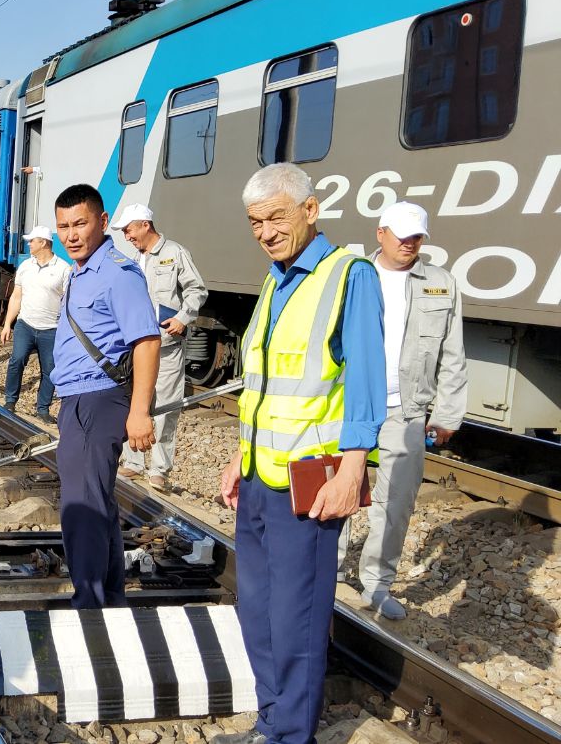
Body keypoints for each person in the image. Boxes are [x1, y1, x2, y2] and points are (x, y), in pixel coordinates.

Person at [214, 163, 385, 744]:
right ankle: (271, 723)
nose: (265, 232)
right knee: (258, 613)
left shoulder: (348, 276)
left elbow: (365, 380)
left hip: (310, 482)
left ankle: (291, 735)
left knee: (296, 620)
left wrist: (353, 470)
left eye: (276, 217)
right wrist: (239, 455)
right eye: (255, 222)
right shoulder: (275, 280)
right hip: (259, 475)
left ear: (311, 210)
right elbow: (262, 385)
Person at [338, 201, 466, 620]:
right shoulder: (353, 274)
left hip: (406, 408)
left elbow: (453, 353)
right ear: (381, 233)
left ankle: (377, 585)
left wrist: (447, 413)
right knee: (339, 486)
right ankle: (330, 570)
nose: (410, 243)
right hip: (349, 403)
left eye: (417, 236)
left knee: (395, 503)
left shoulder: (441, 283)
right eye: (402, 235)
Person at [49, 184, 161, 609]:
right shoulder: (82, 271)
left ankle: (89, 607)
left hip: (98, 398)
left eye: (80, 224)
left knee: (81, 507)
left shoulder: (117, 273)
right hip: (80, 398)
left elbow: (147, 341)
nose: (71, 235)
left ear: (102, 221)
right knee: (97, 503)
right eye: (63, 226)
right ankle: (108, 600)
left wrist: (140, 412)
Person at [111, 203, 208, 490]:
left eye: (129, 230)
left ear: (145, 225)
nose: (127, 236)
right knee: (135, 404)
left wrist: (182, 318)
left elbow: (196, 289)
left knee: (165, 408)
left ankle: (159, 469)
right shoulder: (133, 260)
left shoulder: (175, 253)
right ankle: (133, 462)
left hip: (167, 347)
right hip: (137, 347)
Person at [1, 225, 68, 423]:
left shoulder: (63, 269)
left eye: (32, 241)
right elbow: (16, 296)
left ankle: (43, 410)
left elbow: (68, 302)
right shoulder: (25, 266)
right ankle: (10, 401)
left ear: (43, 243)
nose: (29, 244)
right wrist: (7, 324)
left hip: (51, 329)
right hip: (26, 324)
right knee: (17, 360)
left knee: (50, 370)